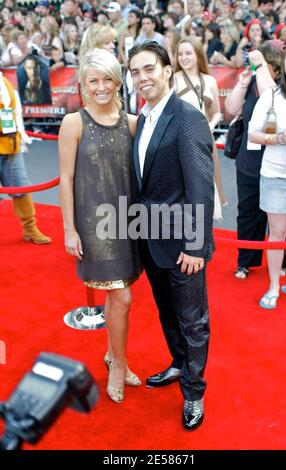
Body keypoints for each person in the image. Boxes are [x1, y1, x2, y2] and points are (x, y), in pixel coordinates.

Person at [128, 42, 214, 430]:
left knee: (193, 320)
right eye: (135, 72)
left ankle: (194, 393)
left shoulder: (188, 117)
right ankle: (179, 365)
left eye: (149, 69)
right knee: (167, 312)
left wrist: (197, 244)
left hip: (183, 246)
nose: (142, 78)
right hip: (150, 240)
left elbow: (201, 186)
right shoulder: (143, 118)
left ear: (167, 71)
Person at [59, 48, 142, 403]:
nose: (101, 86)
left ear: (118, 81)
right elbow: (65, 178)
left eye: (107, 78)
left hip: (128, 224)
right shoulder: (73, 123)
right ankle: (119, 365)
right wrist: (69, 228)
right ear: (83, 84)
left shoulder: (133, 121)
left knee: (116, 295)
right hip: (94, 228)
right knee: (122, 296)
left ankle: (112, 354)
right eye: (93, 80)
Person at [225, 41, 283, 280]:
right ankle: (246, 260)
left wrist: (259, 69)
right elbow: (230, 108)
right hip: (248, 161)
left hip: (277, 161)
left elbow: (273, 101)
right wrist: (242, 82)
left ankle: (281, 261)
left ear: (275, 68)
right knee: (248, 212)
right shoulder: (251, 85)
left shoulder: (282, 89)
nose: (258, 67)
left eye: (264, 64)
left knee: (278, 216)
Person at [248, 41, 286, 308]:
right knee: (278, 233)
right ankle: (272, 286)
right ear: (283, 63)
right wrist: (279, 138)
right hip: (276, 174)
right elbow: (253, 133)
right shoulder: (271, 95)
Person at [174, 36, 225, 215]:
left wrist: (209, 125)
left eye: (188, 53)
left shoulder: (209, 80)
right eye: (180, 54)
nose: (184, 57)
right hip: (180, 140)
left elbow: (217, 112)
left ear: (197, 54)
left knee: (205, 185)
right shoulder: (173, 80)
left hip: (205, 139)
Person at [0, 72, 51, 244]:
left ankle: (30, 228)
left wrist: (21, 139)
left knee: (21, 187)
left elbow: (15, 114)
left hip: (10, 144)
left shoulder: (5, 83)